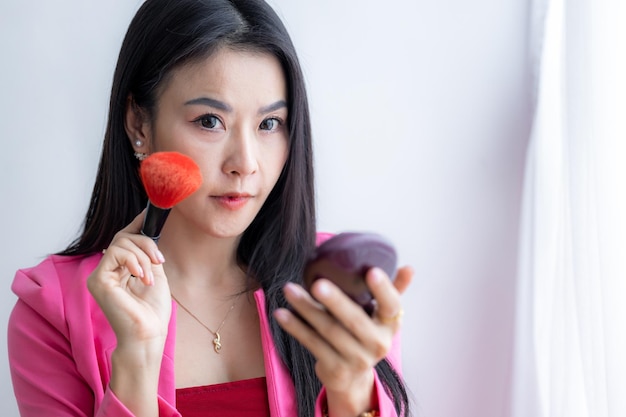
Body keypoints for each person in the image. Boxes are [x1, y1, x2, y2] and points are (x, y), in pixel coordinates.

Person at [7, 0, 413, 416]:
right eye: (209, 121)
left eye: (269, 124)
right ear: (139, 124)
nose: (245, 163)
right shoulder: (52, 312)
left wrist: (352, 391)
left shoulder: (335, 285)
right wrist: (136, 363)